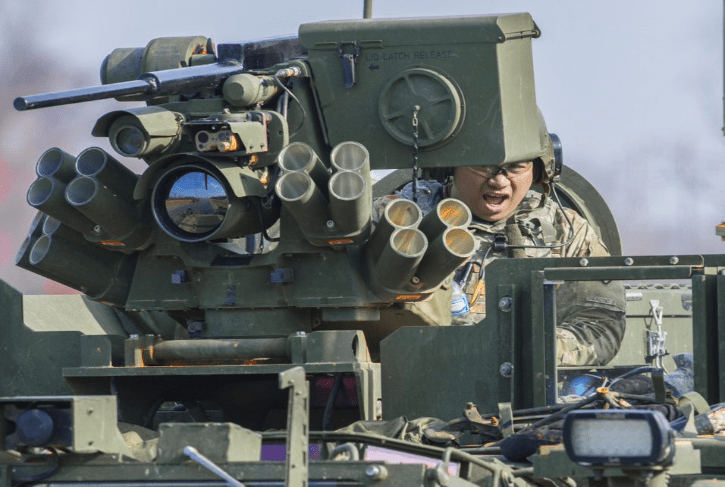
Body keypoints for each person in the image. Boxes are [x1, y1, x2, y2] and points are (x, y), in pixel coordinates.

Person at [375, 159, 626, 366]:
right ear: (450, 166)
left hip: (528, 396)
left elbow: (601, 328)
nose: (498, 181)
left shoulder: (565, 232)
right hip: (410, 377)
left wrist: (518, 349)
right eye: (484, 165)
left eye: (516, 167)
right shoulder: (394, 220)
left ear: (538, 171)